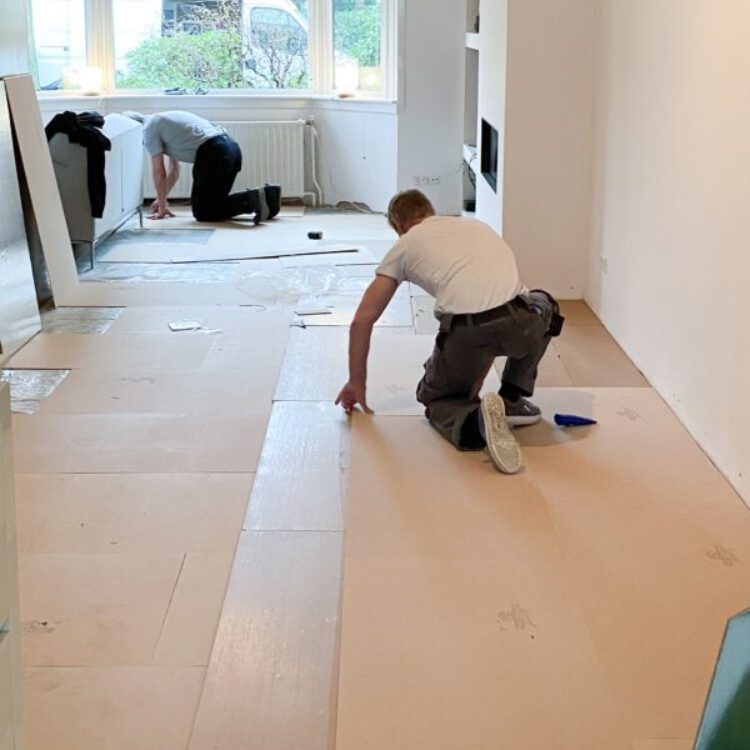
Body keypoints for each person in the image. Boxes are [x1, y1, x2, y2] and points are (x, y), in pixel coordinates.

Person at [335, 189, 564, 474]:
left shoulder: (405, 245)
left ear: (398, 226)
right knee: (546, 305)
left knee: (437, 400)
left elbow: (362, 321)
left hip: (467, 334)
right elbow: (496, 303)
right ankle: (511, 398)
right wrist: (478, 376)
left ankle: (475, 422)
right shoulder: (476, 226)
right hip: (521, 320)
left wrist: (356, 382)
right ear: (430, 211)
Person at [124, 110, 281, 223]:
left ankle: (252, 199)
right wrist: (161, 199)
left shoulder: (148, 129)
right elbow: (174, 170)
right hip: (231, 150)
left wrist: (163, 205)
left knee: (202, 211)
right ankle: (268, 197)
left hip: (213, 153)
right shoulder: (161, 121)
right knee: (215, 204)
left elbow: (159, 172)